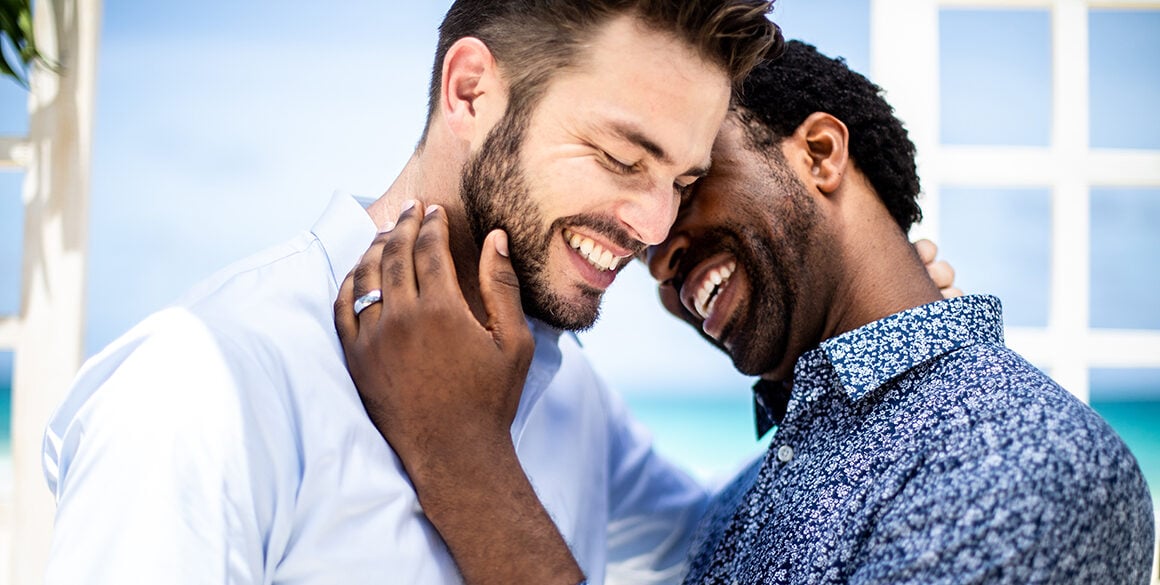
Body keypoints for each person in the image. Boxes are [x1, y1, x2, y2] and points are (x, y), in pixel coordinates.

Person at [337, 41, 1155, 584]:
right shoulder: (757, 493)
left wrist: (462, 459)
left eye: (690, 183)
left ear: (821, 154)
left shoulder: (1026, 465)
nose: (656, 247)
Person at [41, 2, 782, 584]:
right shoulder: (197, 385)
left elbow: (747, 536)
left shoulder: (572, 395)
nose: (654, 225)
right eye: (622, 158)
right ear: (469, 92)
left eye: (681, 183)